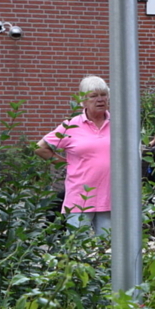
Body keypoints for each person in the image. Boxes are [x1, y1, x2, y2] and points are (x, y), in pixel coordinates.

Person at [36, 76, 112, 235]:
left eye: (103, 95)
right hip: (79, 199)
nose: (100, 99)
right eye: (93, 96)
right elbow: (40, 148)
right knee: (77, 244)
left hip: (111, 197)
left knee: (109, 246)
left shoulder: (118, 124)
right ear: (83, 101)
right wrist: (65, 163)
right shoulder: (71, 125)